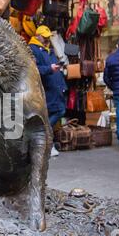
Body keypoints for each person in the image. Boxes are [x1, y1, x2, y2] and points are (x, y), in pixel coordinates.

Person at [27, 23, 68, 157]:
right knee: (55, 113)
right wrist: (50, 69)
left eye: (47, 37)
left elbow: (53, 66)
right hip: (46, 89)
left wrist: (61, 79)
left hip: (55, 88)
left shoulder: (47, 49)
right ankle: (44, 143)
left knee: (57, 112)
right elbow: (34, 70)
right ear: (38, 36)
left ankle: (43, 142)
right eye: (44, 37)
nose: (47, 39)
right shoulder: (33, 49)